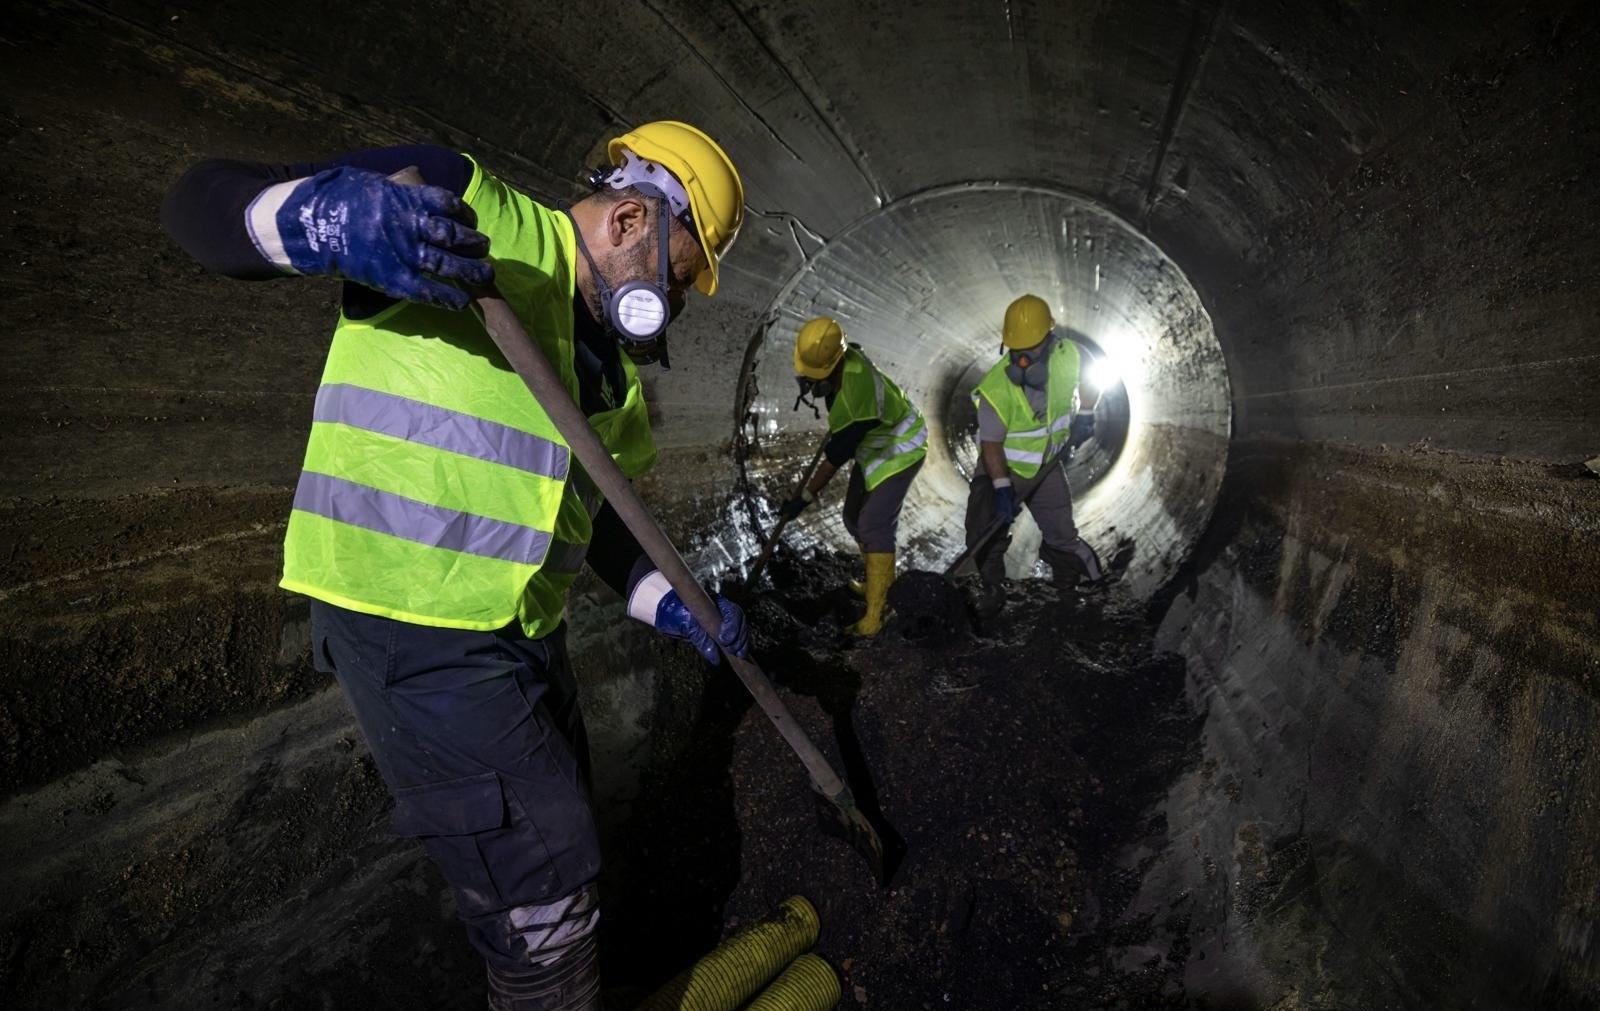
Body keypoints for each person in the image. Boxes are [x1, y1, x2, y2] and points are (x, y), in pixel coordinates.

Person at [161, 121, 749, 1011]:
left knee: (561, 842)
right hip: (409, 621)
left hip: (518, 635)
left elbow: (607, 527)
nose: (678, 299)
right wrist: (331, 222)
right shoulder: (460, 207)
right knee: (543, 897)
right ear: (631, 218)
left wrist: (675, 601)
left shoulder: (614, 390)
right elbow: (198, 204)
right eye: (679, 271)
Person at [780, 315, 927, 635]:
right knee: (851, 518)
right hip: (875, 447)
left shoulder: (855, 395)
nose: (809, 385)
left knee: (874, 524)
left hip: (901, 448)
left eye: (815, 378)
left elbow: (834, 459)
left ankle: (879, 613)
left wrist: (803, 499)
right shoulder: (845, 358)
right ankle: (879, 583)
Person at [963, 293, 1107, 615]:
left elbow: (1092, 376)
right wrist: (1001, 488)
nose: (1024, 359)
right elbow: (991, 445)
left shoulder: (1071, 355)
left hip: (1046, 466)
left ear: (1050, 339)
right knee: (982, 531)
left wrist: (1085, 414)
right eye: (1017, 350)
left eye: (1032, 348)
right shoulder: (995, 389)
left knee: (1061, 532)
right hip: (1001, 467)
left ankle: (1068, 591)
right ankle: (993, 590)